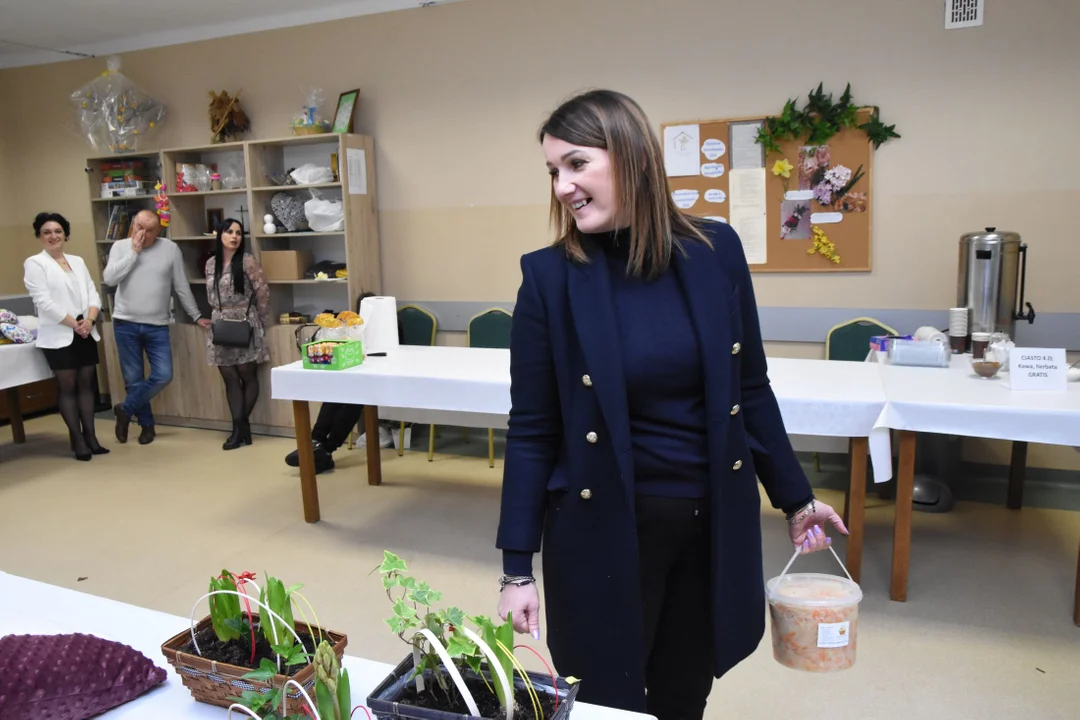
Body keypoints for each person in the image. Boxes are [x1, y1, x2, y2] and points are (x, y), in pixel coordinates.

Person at [494, 89, 848, 719]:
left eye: (577, 164)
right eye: (553, 171)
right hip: (602, 529)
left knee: (685, 692)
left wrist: (795, 497)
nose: (562, 187)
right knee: (607, 697)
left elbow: (750, 389)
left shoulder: (715, 252)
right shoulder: (550, 277)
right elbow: (532, 429)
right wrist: (516, 568)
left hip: (710, 524)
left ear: (630, 157)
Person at [102, 209, 210, 445]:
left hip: (157, 325)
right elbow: (109, 279)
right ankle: (147, 426)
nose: (143, 234)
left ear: (159, 231)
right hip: (125, 323)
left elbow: (181, 286)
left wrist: (196, 315)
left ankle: (125, 409)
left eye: (150, 230)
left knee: (163, 375)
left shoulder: (169, 249)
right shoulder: (120, 247)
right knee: (133, 379)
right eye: (139, 227)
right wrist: (134, 252)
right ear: (133, 224)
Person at [22, 212, 108, 460]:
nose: (53, 236)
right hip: (59, 335)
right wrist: (75, 324)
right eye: (46, 232)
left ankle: (91, 436)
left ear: (65, 234)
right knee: (68, 387)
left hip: (85, 332)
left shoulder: (77, 261)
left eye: (57, 231)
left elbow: (93, 295)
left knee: (86, 386)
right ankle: (78, 440)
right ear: (39, 236)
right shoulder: (35, 263)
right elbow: (44, 302)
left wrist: (89, 322)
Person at [204, 218, 271, 450]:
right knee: (229, 378)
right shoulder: (211, 263)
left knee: (247, 375)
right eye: (230, 232)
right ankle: (242, 430)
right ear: (220, 235)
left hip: (245, 321)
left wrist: (259, 322)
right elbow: (211, 295)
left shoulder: (248, 262)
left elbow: (262, 293)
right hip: (221, 323)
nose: (234, 236)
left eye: (239, 233)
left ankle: (238, 430)